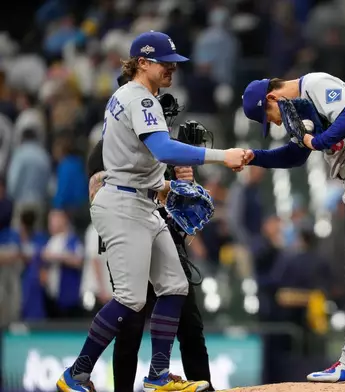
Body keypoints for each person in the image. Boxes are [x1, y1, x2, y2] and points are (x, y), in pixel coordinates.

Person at [56, 31, 248, 392]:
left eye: (173, 63)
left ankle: (158, 376)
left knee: (174, 286)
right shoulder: (138, 98)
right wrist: (224, 156)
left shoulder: (133, 97)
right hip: (123, 204)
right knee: (131, 299)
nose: (171, 69)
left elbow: (136, 158)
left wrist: (166, 187)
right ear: (141, 63)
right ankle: (76, 373)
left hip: (142, 201)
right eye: (164, 62)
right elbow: (160, 148)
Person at [241, 72, 345, 383]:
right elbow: (296, 155)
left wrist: (317, 141)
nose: (275, 124)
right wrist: (255, 158)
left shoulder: (314, 84)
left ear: (272, 99)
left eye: (269, 117)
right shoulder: (302, 108)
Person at [85, 77, 215, 391]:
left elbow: (187, 200)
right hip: (129, 236)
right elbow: (96, 191)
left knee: (191, 327)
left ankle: (202, 386)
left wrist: (185, 179)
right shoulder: (108, 146)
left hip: (164, 236)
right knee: (129, 327)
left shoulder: (165, 147)